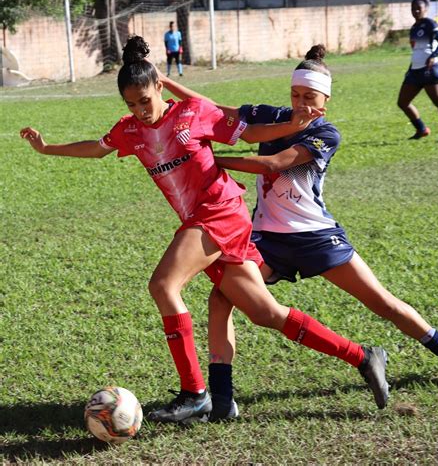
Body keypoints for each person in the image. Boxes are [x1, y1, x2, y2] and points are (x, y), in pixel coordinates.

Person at [20, 36, 390, 424]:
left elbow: (247, 132)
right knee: (266, 313)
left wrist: (289, 123)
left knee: (163, 285)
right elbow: (96, 148)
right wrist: (47, 149)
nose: (141, 111)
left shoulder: (193, 112)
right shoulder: (129, 130)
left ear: (159, 87)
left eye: (145, 100)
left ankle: (195, 394)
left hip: (219, 213)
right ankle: (362, 355)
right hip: (202, 220)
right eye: (131, 104)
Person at [161, 43, 438, 421]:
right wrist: (163, 80)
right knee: (221, 297)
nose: (300, 103)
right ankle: (222, 402)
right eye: (295, 94)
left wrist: (200, 160)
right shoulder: (271, 116)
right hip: (266, 240)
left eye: (309, 96)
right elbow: (213, 109)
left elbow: (273, 164)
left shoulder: (327, 133)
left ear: (325, 99)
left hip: (315, 237)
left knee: (383, 303)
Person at [397, 0, 438, 142]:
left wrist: (434, 55)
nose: (416, 11)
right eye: (414, 9)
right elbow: (417, 51)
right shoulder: (414, 28)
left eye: (419, 8)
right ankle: (421, 129)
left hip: (430, 70)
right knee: (403, 102)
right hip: (415, 71)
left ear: (426, 9)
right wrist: (410, 68)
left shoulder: (430, 24)